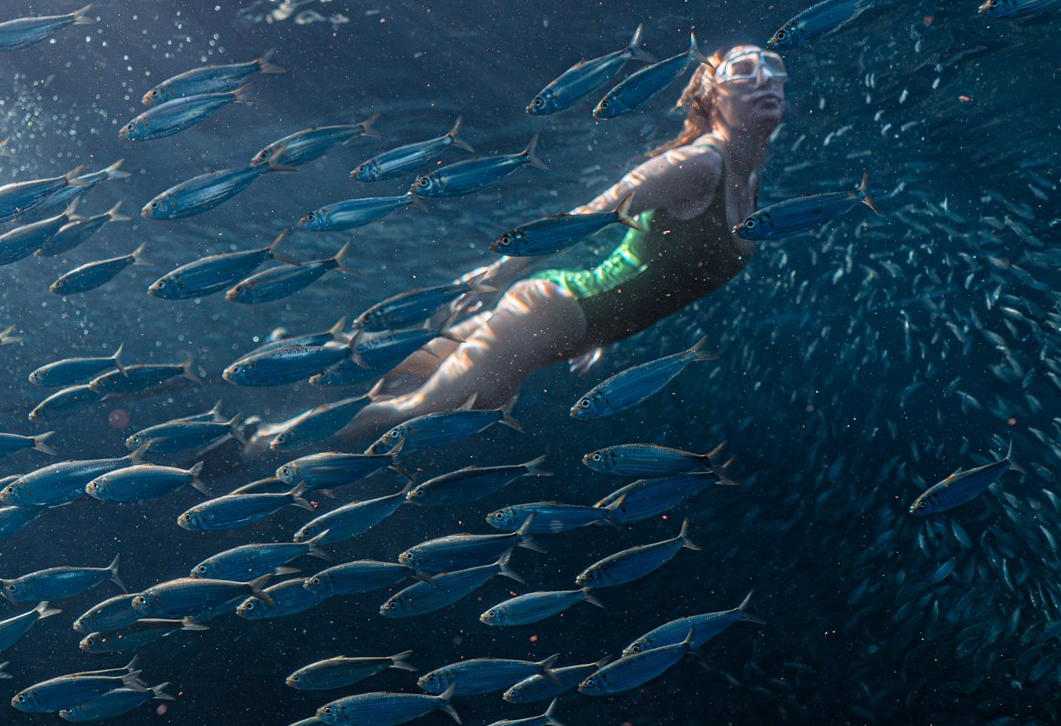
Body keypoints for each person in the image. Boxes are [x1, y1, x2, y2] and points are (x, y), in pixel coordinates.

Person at [337, 43, 787, 439]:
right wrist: (495, 276)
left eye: (773, 66)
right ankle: (278, 446)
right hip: (550, 313)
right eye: (743, 70)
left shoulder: (748, 174)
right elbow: (589, 214)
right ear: (711, 97)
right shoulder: (696, 166)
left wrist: (601, 335)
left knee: (405, 373)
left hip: (569, 318)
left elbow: (654, 272)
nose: (764, 77)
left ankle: (316, 370)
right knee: (419, 412)